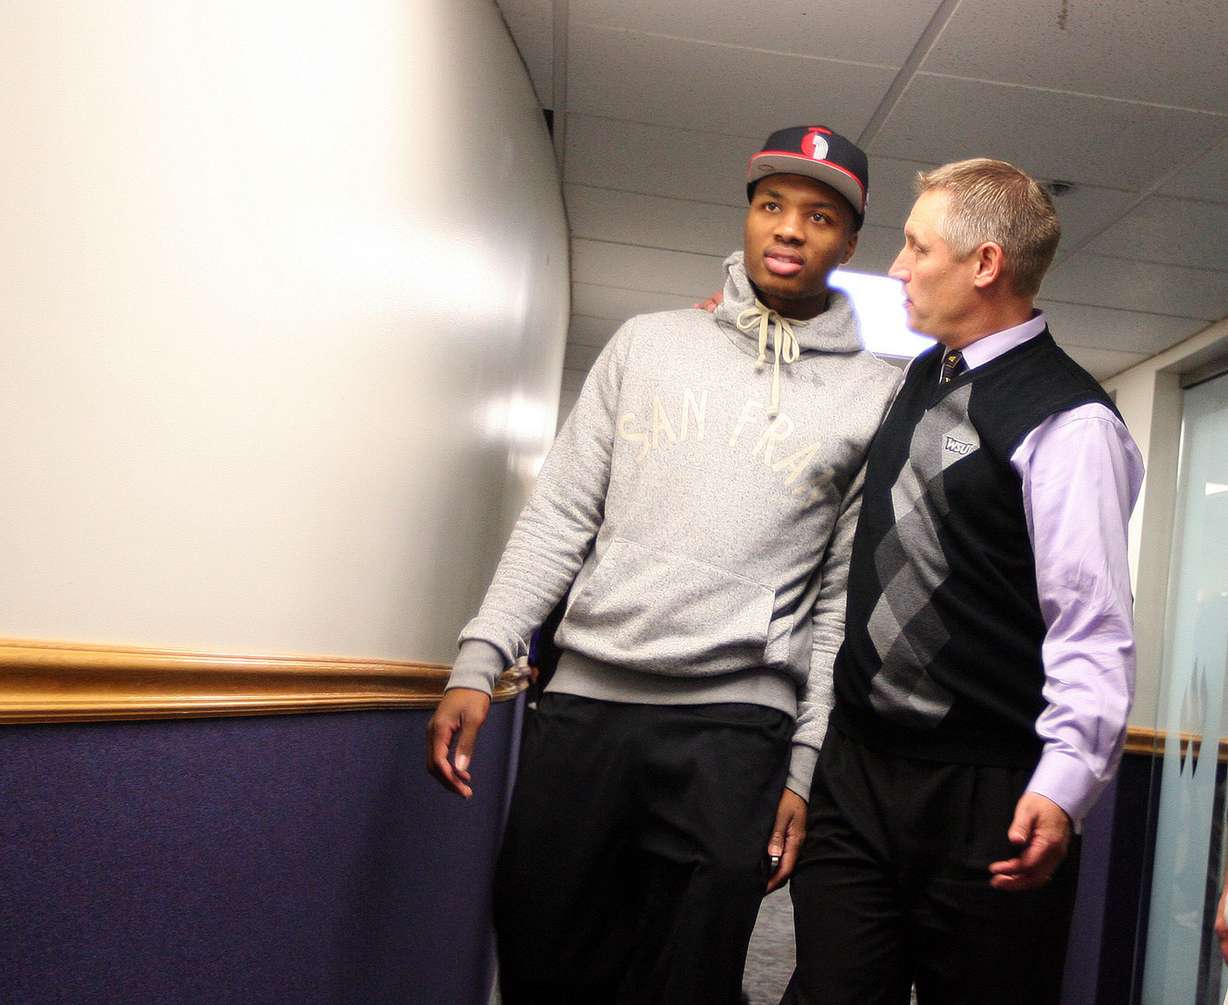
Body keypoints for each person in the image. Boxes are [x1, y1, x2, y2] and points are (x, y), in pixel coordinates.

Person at [426, 124, 900, 1004]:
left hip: (735, 728)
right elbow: (560, 516)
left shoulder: (874, 394)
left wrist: (804, 764)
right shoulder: (647, 344)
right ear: (748, 215)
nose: (790, 229)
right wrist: (479, 657)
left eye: (819, 215)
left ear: (849, 241)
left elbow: (840, 602)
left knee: (688, 973)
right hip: (586, 708)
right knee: (541, 949)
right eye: (772, 205)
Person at [781, 159, 1145, 1005]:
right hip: (859, 771)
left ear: (985, 264)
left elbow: (1091, 624)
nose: (898, 267)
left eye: (916, 246)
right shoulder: (919, 375)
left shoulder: (1069, 420)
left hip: (990, 791)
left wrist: (1064, 781)